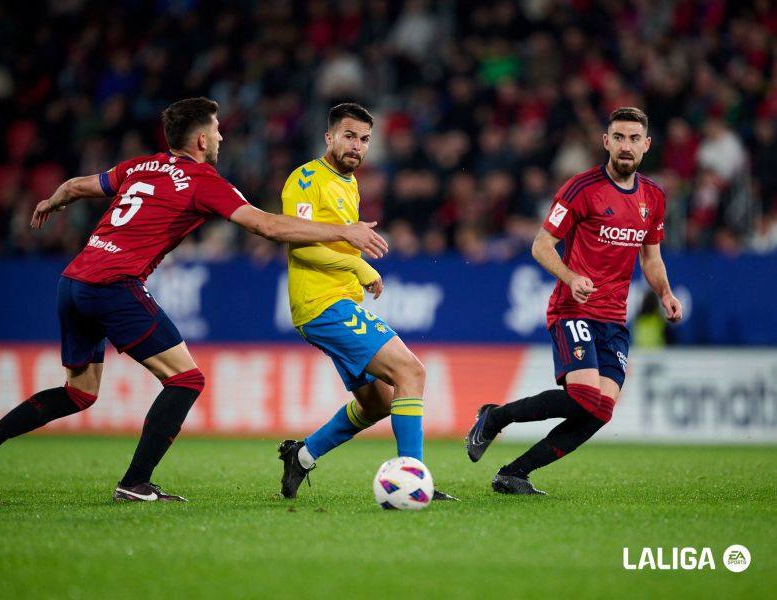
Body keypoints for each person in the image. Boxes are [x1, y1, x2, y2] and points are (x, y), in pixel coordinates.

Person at [0, 97, 389, 502]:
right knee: (186, 380)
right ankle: (135, 483)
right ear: (201, 140)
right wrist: (344, 232)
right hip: (114, 284)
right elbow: (269, 227)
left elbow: (74, 186)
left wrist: (51, 201)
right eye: (216, 131)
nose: (220, 137)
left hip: (73, 282)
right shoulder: (203, 181)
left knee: (80, 393)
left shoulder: (139, 165)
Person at [466, 107, 683, 495]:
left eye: (634, 139)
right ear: (606, 142)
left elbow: (651, 257)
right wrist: (570, 276)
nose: (626, 146)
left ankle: (514, 474)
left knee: (600, 411)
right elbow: (541, 245)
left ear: (647, 145)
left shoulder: (653, 196)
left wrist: (665, 293)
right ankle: (495, 418)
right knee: (583, 398)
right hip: (573, 309)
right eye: (619, 137)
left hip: (614, 319)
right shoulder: (581, 189)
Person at [276, 103, 455, 502]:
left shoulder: (350, 183)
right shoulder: (306, 179)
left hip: (339, 302)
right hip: (321, 303)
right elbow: (299, 242)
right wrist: (357, 265)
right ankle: (413, 478)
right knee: (411, 372)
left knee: (377, 404)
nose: (357, 145)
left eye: (364, 139)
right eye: (349, 136)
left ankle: (301, 456)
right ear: (329, 137)